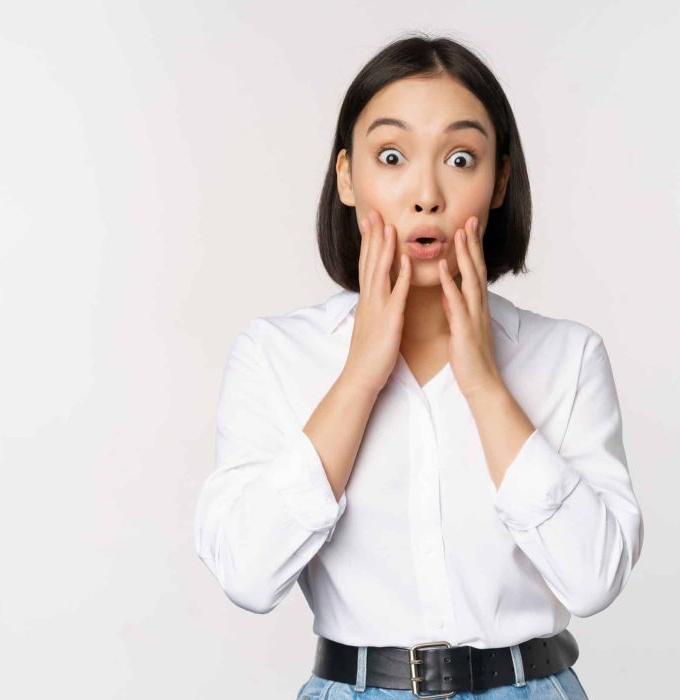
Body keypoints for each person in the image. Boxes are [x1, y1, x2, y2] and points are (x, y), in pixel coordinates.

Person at [193, 33, 644, 699]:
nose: (426, 195)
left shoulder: (567, 357)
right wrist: (360, 376)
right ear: (347, 177)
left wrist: (486, 387)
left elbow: (595, 580)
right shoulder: (277, 356)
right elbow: (248, 576)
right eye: (393, 156)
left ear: (499, 184)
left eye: (461, 158)